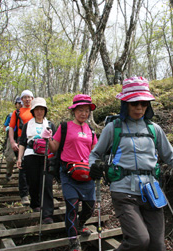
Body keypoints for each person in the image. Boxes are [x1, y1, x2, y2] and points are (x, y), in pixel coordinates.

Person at [88, 76, 173, 251]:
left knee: (157, 245)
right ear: (125, 104)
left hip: (151, 191)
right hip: (123, 191)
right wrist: (94, 167)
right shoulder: (113, 128)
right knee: (139, 240)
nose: (140, 108)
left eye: (144, 103)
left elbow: (171, 157)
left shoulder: (154, 129)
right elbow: (95, 154)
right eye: (135, 104)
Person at [46, 94, 98, 251]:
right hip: (69, 173)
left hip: (87, 173)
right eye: (80, 110)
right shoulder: (65, 127)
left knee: (90, 207)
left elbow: (95, 151)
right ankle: (74, 242)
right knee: (72, 206)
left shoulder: (91, 130)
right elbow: (54, 148)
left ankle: (80, 225)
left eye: (87, 110)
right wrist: (48, 138)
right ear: (74, 111)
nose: (84, 113)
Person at [16, 97, 57, 224]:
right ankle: (35, 203)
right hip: (30, 155)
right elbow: (22, 142)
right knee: (33, 182)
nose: (39, 112)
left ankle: (47, 214)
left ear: (45, 111)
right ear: (33, 111)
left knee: (47, 184)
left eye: (42, 109)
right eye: (37, 109)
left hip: (46, 156)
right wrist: (19, 158)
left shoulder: (50, 125)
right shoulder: (28, 125)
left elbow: (55, 143)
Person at [8, 90, 34, 206]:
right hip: (20, 142)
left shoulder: (36, 111)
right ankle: (24, 194)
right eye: (25, 97)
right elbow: (11, 128)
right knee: (22, 168)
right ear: (22, 99)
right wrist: (12, 142)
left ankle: (32, 192)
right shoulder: (17, 112)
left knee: (32, 169)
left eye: (29, 97)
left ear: (32, 98)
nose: (27, 99)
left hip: (34, 143)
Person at [3, 97, 22, 176]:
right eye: (19, 103)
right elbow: (4, 127)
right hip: (12, 138)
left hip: (22, 139)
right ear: (16, 105)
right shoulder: (11, 115)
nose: (20, 104)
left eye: (21, 103)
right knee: (10, 158)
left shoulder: (29, 114)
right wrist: (8, 129)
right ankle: (9, 172)